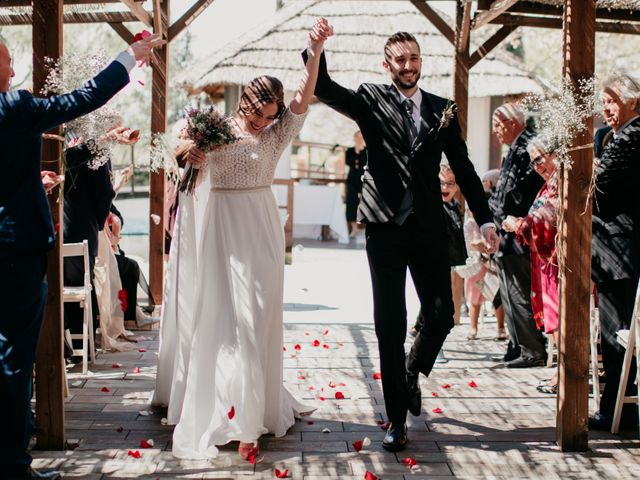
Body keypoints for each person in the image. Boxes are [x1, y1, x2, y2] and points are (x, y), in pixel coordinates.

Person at [304, 30, 498, 451]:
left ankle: (410, 373)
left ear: (421, 60)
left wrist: (485, 219)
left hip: (428, 227)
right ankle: (395, 420)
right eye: (399, 60)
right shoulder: (371, 98)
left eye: (413, 58)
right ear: (386, 64)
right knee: (389, 324)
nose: (408, 66)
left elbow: (463, 167)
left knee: (442, 314)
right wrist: (317, 48)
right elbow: (323, 87)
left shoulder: (443, 109)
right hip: (385, 230)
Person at [163, 18, 330, 461]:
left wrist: (314, 50)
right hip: (219, 229)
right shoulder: (212, 127)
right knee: (219, 324)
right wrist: (190, 153)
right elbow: (176, 150)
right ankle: (219, 406)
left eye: (268, 118)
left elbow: (302, 96)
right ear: (245, 102)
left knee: (255, 322)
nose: (260, 123)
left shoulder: (276, 134)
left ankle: (251, 420)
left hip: (259, 230)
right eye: (256, 114)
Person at [0, 35, 163, 480]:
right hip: (18, 251)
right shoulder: (12, 107)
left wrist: (34, 183)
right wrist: (130, 58)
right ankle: (13, 465)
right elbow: (83, 98)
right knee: (15, 360)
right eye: (8, 62)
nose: (14, 73)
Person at [589, 71, 640, 431]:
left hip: (618, 247)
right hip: (614, 246)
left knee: (615, 332)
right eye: (603, 102)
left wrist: (580, 166)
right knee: (615, 332)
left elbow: (597, 185)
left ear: (632, 102)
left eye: (612, 101)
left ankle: (617, 411)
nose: (606, 108)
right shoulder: (615, 136)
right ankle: (617, 407)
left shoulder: (632, 136)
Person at [489, 103, 547, 368]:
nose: (495, 131)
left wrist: (499, 214)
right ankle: (517, 345)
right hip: (507, 229)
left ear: (512, 123)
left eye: (498, 124)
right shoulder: (514, 147)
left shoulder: (527, 147)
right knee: (509, 291)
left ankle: (531, 349)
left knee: (517, 291)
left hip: (519, 230)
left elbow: (518, 191)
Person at [502, 136, 560, 393]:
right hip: (544, 261)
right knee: (552, 318)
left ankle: (563, 376)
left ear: (555, 154)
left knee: (558, 318)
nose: (537, 166)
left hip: (556, 263)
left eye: (540, 158)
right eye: (533, 161)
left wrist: (518, 225)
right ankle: (559, 373)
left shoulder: (559, 184)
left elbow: (546, 222)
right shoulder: (547, 184)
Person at [344, 130, 366, 237]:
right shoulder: (350, 150)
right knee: (351, 203)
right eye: (357, 137)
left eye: (361, 137)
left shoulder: (367, 151)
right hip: (352, 180)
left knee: (365, 203)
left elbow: (364, 163)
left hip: (364, 181)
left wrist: (361, 151)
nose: (359, 139)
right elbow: (349, 162)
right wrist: (357, 151)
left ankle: (366, 227)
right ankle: (354, 228)